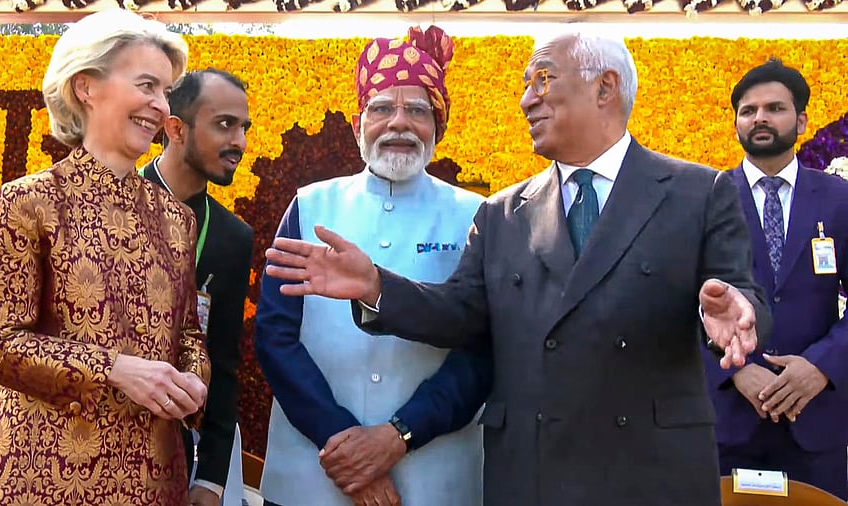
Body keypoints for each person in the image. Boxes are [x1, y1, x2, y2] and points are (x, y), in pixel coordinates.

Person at [264, 31, 773, 506]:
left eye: (543, 80)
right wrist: (378, 287)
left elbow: (740, 296)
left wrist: (735, 315)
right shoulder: (504, 212)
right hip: (531, 475)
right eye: (526, 85)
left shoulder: (697, 193)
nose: (527, 99)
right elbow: (462, 317)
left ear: (605, 87)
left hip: (649, 473)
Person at [0, 9, 210, 505]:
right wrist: (115, 369)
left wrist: (192, 380)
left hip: (152, 481)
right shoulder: (28, 202)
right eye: (147, 85)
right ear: (86, 87)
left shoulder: (176, 220)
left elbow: (185, 334)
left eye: (165, 91)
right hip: (39, 480)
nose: (160, 106)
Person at [255, 25, 491, 506]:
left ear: (437, 126)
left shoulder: (478, 215)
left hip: (434, 475)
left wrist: (396, 437)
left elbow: (484, 350)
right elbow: (275, 336)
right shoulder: (310, 205)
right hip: (312, 471)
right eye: (382, 108)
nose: (398, 123)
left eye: (417, 111)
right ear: (360, 122)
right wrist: (342, 441)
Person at [703, 58, 848, 499]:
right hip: (728, 422)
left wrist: (821, 366)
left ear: (801, 120)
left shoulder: (840, 199)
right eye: (748, 111)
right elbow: (675, 301)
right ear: (736, 125)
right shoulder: (703, 199)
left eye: (775, 108)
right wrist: (737, 371)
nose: (760, 118)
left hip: (816, 421)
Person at [140, 68, 255, 506]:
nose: (239, 143)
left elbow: (224, 367)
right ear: (176, 129)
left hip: (178, 455)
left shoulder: (232, 237)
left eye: (243, 128)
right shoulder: (110, 203)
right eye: (224, 124)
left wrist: (210, 480)